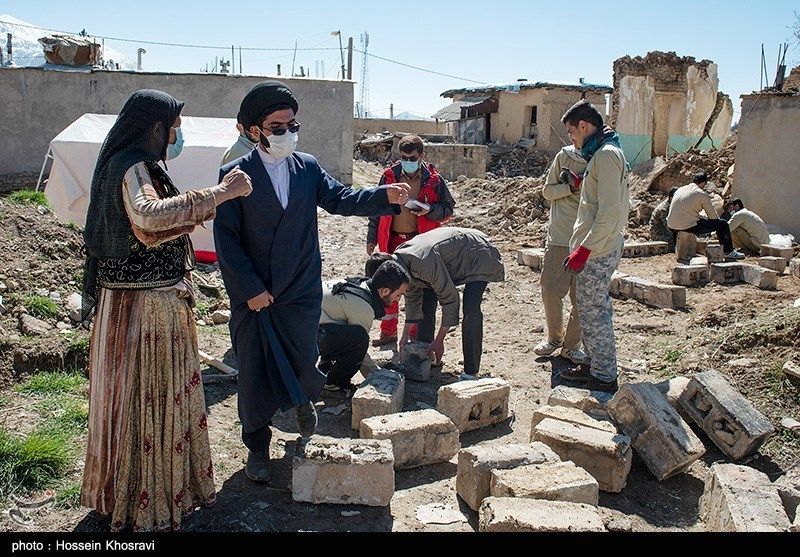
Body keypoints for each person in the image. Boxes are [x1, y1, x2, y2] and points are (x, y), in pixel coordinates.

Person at [213, 80, 410, 484]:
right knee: (253, 372)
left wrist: (382, 195)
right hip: (257, 294)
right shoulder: (234, 176)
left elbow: (341, 199)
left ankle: (301, 401)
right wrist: (250, 290)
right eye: (277, 126)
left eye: (292, 124)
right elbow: (226, 242)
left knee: (303, 357)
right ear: (254, 131)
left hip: (300, 289)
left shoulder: (307, 167)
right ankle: (257, 447)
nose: (288, 133)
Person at [80, 89, 253, 531]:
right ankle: (147, 503)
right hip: (145, 311)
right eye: (174, 127)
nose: (177, 135)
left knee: (134, 404)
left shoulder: (128, 164)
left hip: (134, 305)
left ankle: (128, 494)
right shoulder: (135, 167)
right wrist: (221, 192)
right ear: (155, 127)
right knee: (145, 404)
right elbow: (150, 218)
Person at [557, 100, 630, 393]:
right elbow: (600, 198)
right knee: (587, 310)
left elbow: (610, 211)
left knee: (594, 311)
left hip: (597, 250)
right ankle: (592, 363)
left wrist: (585, 249)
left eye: (572, 133)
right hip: (595, 246)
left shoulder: (606, 156)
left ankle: (604, 376)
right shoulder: (601, 155)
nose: (572, 140)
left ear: (584, 127)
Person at [366, 227, 505, 378]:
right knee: (426, 301)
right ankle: (426, 356)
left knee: (471, 309)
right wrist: (405, 336)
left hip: (478, 253)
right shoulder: (400, 267)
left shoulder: (421, 261)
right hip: (449, 259)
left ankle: (471, 371)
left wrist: (440, 340)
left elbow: (450, 298)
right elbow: (413, 298)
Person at [366, 134, 455, 350]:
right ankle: (388, 333)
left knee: (416, 289)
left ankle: (414, 336)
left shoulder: (434, 180)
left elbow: (448, 209)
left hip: (420, 244)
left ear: (422, 156)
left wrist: (430, 210)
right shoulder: (389, 177)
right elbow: (376, 208)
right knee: (389, 287)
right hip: (392, 240)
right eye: (404, 157)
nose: (407, 161)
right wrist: (371, 237)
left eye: (412, 157)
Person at [318, 260, 410, 398]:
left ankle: (326, 366)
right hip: (304, 335)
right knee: (359, 339)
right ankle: (333, 384)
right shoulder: (363, 308)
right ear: (385, 291)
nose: (398, 300)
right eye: (398, 295)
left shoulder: (360, 284)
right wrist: (377, 375)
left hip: (308, 325)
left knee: (344, 329)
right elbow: (359, 349)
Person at [534, 144, 591, 365]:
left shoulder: (603, 158)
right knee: (550, 289)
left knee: (581, 297)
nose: (571, 136)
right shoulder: (565, 155)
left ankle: (571, 346)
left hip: (587, 239)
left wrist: (583, 185)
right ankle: (554, 339)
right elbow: (548, 191)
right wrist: (571, 188)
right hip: (559, 236)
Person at [667, 172, 745, 260]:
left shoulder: (680, 190)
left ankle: (676, 248)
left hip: (671, 225)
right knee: (722, 224)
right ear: (703, 183)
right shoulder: (701, 194)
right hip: (686, 226)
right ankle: (728, 251)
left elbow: (684, 211)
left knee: (685, 221)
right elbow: (713, 218)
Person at [649, 187, 678, 251]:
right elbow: (668, 226)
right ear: (671, 198)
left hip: (665, 230)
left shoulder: (672, 205)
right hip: (658, 232)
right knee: (673, 244)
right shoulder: (664, 209)